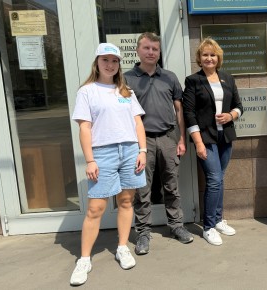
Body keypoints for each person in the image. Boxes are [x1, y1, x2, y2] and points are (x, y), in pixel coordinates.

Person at [70, 43, 147, 286]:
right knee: (96, 209)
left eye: (114, 60)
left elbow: (137, 124)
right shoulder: (87, 91)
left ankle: (122, 247)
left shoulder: (125, 91)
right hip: (102, 154)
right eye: (105, 60)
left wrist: (142, 150)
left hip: (130, 150)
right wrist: (90, 159)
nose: (110, 64)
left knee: (125, 201)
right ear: (97, 62)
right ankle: (84, 259)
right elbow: (84, 127)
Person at [123, 32, 193, 255]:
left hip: (168, 138)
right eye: (146, 48)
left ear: (159, 52)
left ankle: (176, 226)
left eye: (155, 49)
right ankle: (143, 233)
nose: (151, 52)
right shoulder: (126, 79)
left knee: (171, 186)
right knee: (142, 190)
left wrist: (181, 138)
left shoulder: (170, 77)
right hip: (140, 144)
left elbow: (179, 110)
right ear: (138, 50)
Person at [183, 37, 243, 246]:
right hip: (206, 137)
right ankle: (208, 226)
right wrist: (198, 143)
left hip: (224, 136)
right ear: (199, 58)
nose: (209, 58)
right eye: (205, 55)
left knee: (219, 178)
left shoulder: (228, 78)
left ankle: (218, 220)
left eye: (213, 54)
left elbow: (238, 106)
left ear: (218, 58)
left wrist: (231, 116)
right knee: (214, 179)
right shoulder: (193, 81)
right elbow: (189, 113)